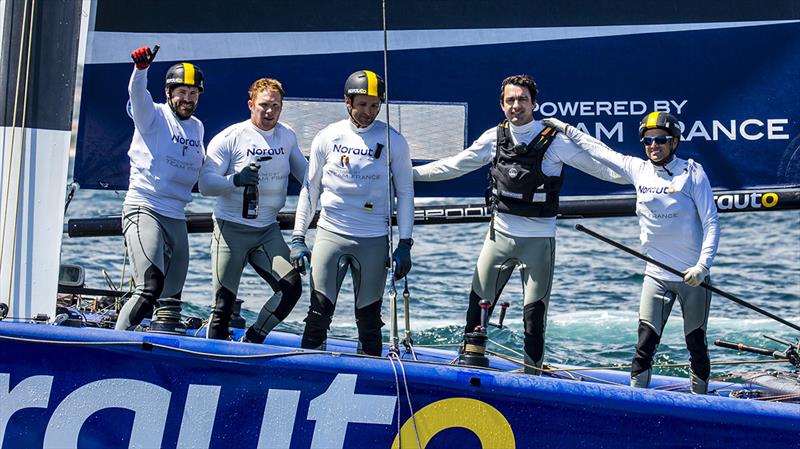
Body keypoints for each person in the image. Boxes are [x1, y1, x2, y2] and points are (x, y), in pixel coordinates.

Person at [413, 75, 626, 373]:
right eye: (510, 100)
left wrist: (644, 177)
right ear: (502, 105)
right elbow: (455, 165)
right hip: (498, 238)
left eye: (522, 99)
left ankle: (533, 376)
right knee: (475, 315)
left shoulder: (555, 141)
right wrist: (410, 175)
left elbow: (601, 169)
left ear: (533, 103)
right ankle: (469, 370)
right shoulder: (494, 137)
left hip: (538, 243)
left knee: (533, 321)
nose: (516, 105)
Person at [543, 112, 720, 393]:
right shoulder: (637, 169)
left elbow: (711, 222)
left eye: (661, 140)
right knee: (644, 345)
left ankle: (701, 403)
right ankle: (638, 402)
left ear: (673, 143)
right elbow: (598, 150)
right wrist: (566, 128)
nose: (653, 145)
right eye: (648, 140)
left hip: (693, 279)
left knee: (696, 344)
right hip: (656, 277)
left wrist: (702, 267)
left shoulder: (692, 173)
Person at [291, 70, 414, 356]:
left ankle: (371, 383)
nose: (368, 112)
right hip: (329, 234)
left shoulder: (393, 140)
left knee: (369, 321)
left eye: (374, 105)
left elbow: (406, 193)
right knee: (319, 313)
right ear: (348, 102)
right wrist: (298, 237)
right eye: (362, 105)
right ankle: (306, 377)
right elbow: (310, 190)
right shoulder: (328, 136)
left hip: (373, 238)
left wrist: (405, 243)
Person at [199, 78, 307, 342]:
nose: (270, 112)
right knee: (223, 305)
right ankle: (213, 362)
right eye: (264, 106)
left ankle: (253, 338)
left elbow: (308, 177)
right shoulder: (231, 137)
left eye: (276, 106)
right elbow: (205, 184)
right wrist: (235, 179)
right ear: (251, 105)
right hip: (230, 229)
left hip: (266, 231)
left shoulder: (287, 136)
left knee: (291, 288)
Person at [116, 46, 205, 330]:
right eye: (182, 92)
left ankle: (159, 354)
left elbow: (203, 172)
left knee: (171, 299)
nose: (187, 99)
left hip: (176, 215)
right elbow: (137, 94)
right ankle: (113, 348)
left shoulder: (198, 128)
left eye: (193, 93)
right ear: (168, 93)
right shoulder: (152, 115)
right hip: (145, 207)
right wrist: (140, 70)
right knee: (149, 287)